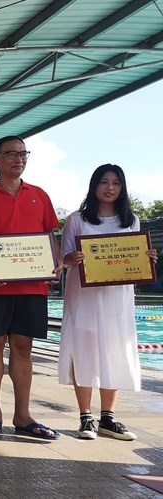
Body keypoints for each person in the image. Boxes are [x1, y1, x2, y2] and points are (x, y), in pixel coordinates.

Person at [0, 136, 62, 440]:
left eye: (23, 154)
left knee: (23, 347)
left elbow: (49, 236)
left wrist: (54, 264)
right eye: (11, 154)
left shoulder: (39, 195)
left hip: (32, 286)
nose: (19, 159)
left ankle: (23, 415)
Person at [59, 164, 157, 441]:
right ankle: (85, 417)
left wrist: (146, 259)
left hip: (117, 297)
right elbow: (63, 257)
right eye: (104, 182)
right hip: (84, 297)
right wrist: (71, 259)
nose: (110, 187)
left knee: (114, 351)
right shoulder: (77, 219)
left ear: (122, 188)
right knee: (83, 351)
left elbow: (133, 257)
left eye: (116, 182)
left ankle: (108, 418)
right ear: (94, 186)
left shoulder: (131, 220)